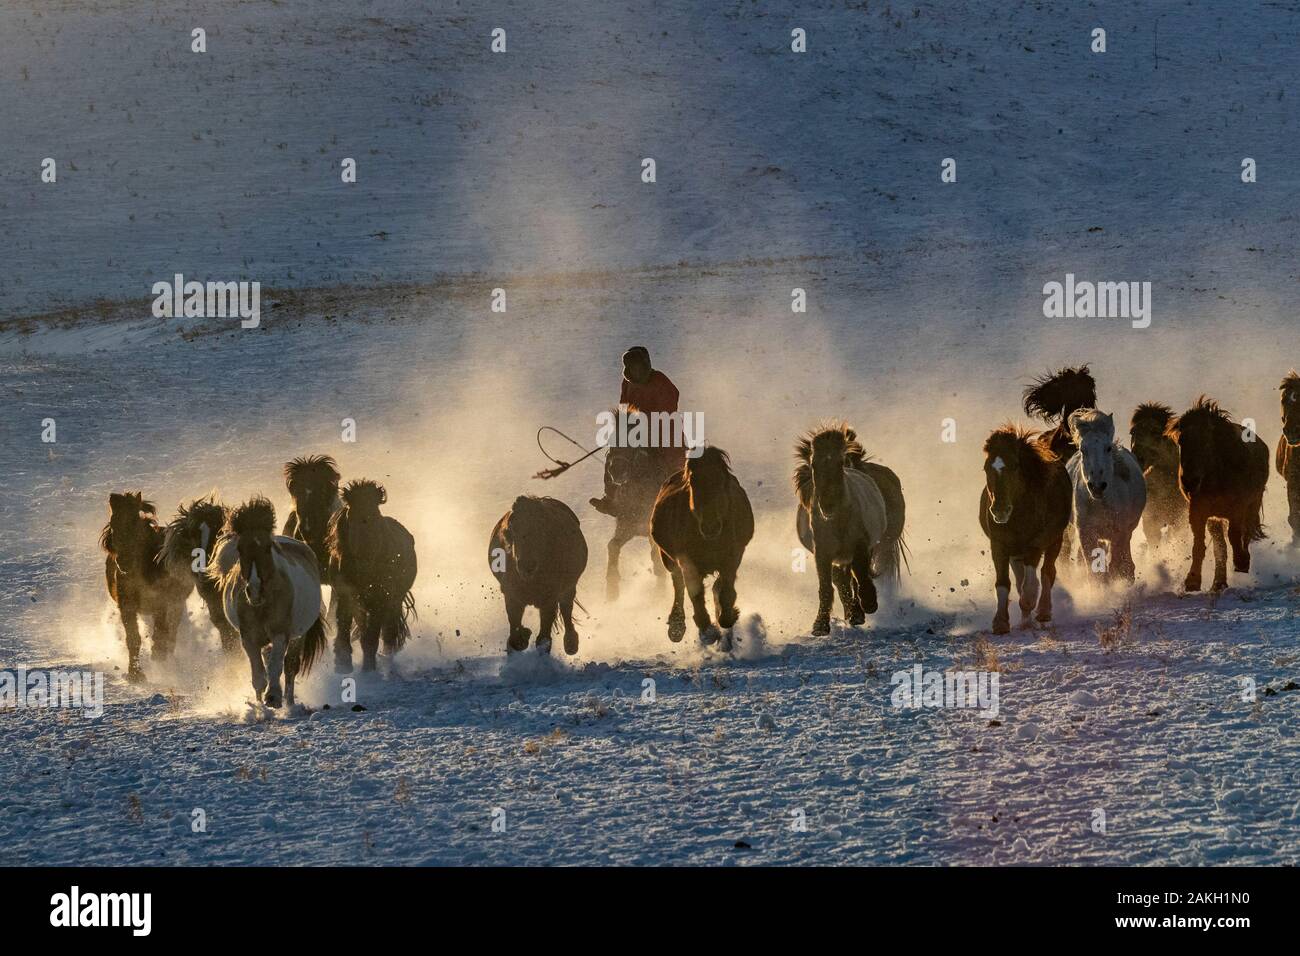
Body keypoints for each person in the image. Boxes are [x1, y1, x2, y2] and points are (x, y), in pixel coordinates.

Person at [589, 347, 682, 516]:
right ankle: (611, 498)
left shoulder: (661, 383)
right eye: (632, 367)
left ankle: (676, 497)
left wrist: (646, 428)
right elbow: (624, 408)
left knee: (673, 459)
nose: (636, 371)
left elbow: (667, 413)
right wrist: (621, 429)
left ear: (646, 365)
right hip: (635, 432)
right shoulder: (627, 383)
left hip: (664, 431)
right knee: (614, 455)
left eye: (639, 366)